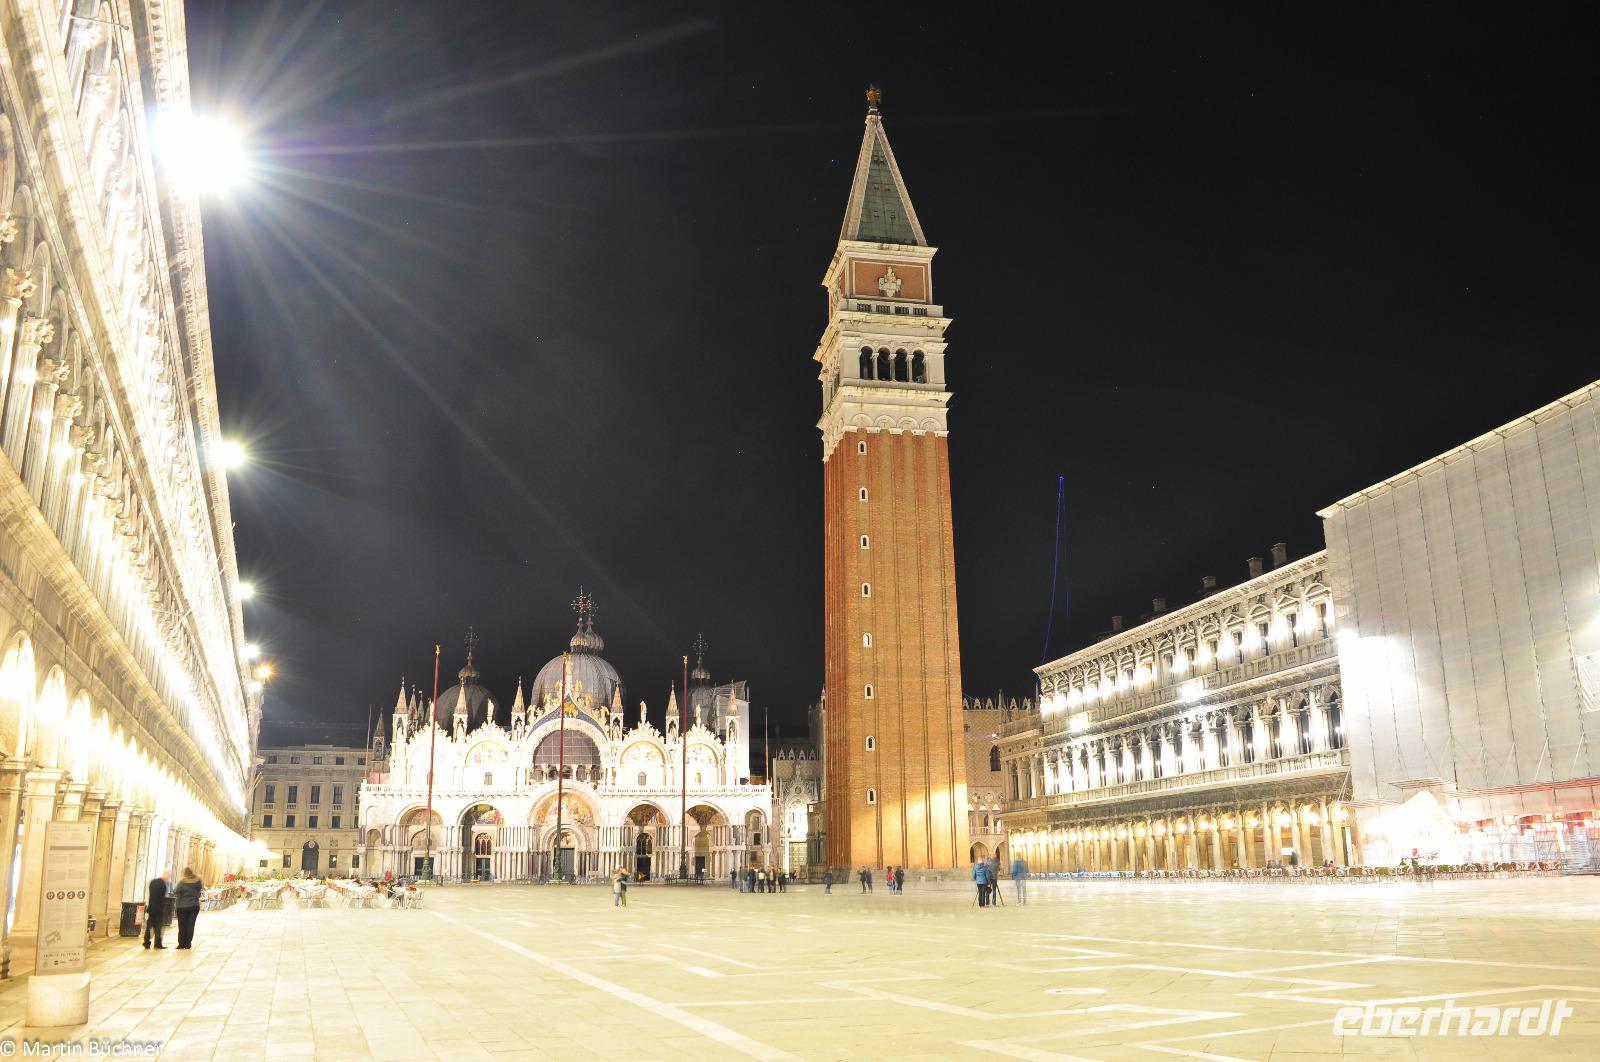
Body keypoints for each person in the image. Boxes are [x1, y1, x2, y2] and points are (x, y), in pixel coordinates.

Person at [173, 866, 204, 949]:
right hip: (194, 906)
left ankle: (181, 943)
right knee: (191, 925)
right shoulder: (198, 881)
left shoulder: (182, 882)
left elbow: (175, 891)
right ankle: (188, 944)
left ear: (185, 873)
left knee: (182, 925)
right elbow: (201, 889)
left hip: (182, 906)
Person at [144, 870, 171, 949]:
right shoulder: (163, 884)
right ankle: (157, 943)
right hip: (159, 909)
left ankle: (146, 942)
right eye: (168, 876)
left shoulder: (153, 882)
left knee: (149, 926)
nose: (168, 877)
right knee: (158, 927)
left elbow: (151, 894)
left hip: (151, 908)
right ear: (166, 875)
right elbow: (162, 897)